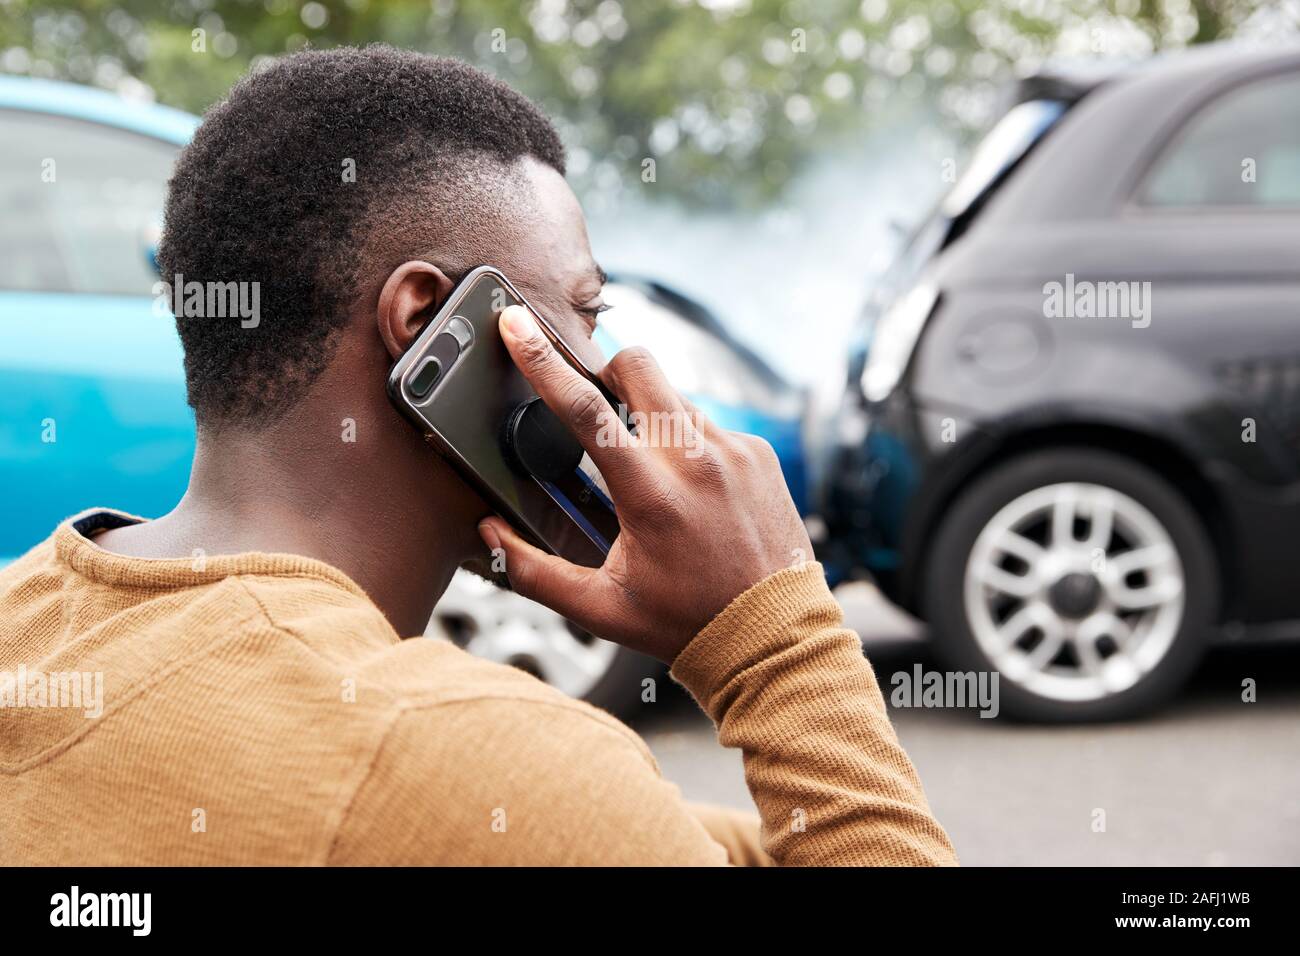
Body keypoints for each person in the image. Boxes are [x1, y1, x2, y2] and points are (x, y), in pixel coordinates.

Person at [0, 46, 955, 866]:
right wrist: (776, 648)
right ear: (426, 325)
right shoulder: (460, 759)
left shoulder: (28, 612)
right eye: (588, 313)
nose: (609, 369)